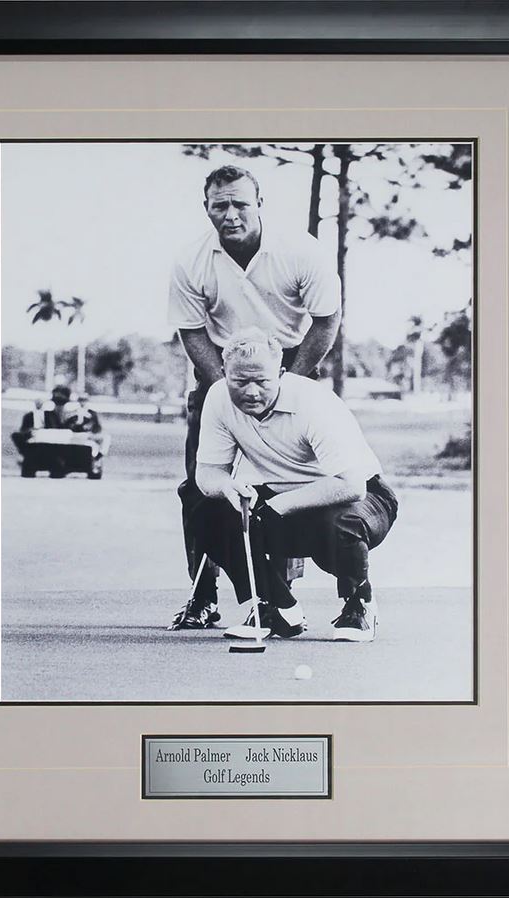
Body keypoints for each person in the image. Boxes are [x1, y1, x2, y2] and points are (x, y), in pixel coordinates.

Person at [168, 164, 342, 629]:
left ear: (259, 204)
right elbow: (191, 330)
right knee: (201, 488)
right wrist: (225, 388)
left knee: (295, 484)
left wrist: (286, 383)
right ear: (206, 208)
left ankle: (277, 597)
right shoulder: (190, 261)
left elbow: (326, 320)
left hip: (290, 365)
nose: (230, 214)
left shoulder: (302, 252)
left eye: (240, 203)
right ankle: (203, 597)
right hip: (220, 370)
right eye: (219, 205)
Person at [190, 328, 398, 642]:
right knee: (206, 509)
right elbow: (208, 475)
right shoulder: (218, 398)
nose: (251, 392)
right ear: (223, 373)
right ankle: (278, 607)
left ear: (281, 373)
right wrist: (229, 489)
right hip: (280, 493)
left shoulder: (312, 403)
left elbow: (351, 485)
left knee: (338, 522)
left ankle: (359, 602)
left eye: (261, 381)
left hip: (362, 497)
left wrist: (272, 508)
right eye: (240, 381)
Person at [11, 387, 72, 455]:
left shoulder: (71, 417)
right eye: (56, 402)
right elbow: (23, 432)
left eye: (62, 403)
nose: (59, 406)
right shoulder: (39, 415)